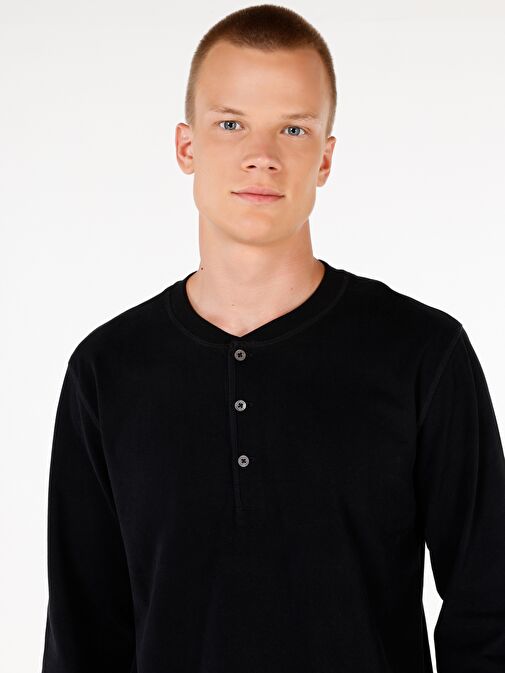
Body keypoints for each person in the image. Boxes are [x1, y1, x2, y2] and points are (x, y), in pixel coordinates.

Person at [41, 5, 505, 673]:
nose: (261, 156)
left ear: (325, 158)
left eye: (293, 128)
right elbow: (82, 634)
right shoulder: (107, 370)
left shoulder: (422, 354)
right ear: (186, 147)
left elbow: (489, 609)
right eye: (231, 124)